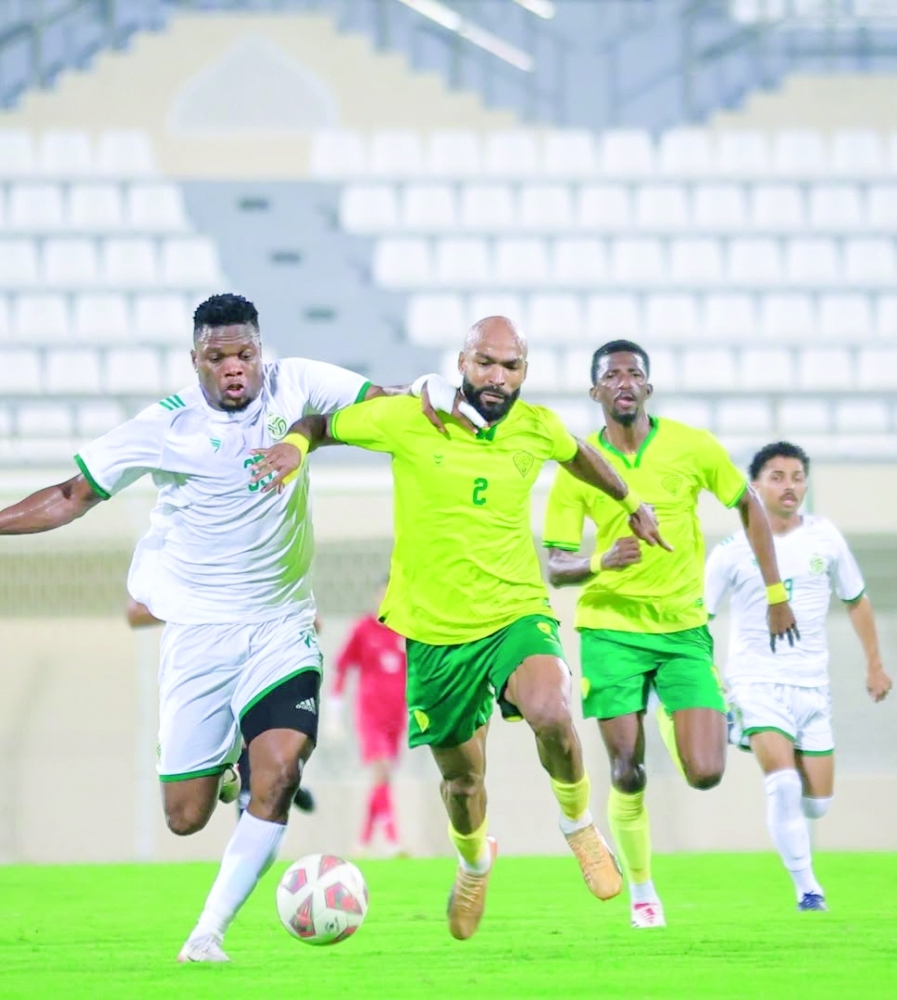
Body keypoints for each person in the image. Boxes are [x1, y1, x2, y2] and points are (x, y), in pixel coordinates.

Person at [0, 292, 470, 963]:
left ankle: (208, 933)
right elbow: (72, 494)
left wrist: (432, 390)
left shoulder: (297, 383)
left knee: (281, 772)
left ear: (260, 351)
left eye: (245, 354)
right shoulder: (166, 426)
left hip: (281, 622)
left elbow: (381, 400)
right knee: (185, 817)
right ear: (195, 360)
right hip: (201, 634)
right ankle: (223, 762)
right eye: (217, 357)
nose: (234, 368)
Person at [249, 316, 669, 941]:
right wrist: (295, 445)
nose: (498, 377)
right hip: (434, 631)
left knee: (552, 709)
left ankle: (578, 824)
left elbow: (578, 455)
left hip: (514, 609)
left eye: (511, 366)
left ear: (524, 371)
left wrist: (631, 502)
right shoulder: (408, 417)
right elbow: (320, 424)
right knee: (464, 781)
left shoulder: (535, 426)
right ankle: (474, 861)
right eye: (486, 363)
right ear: (463, 364)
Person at [542, 339, 798, 930]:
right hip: (611, 629)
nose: (624, 382)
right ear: (595, 391)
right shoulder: (578, 467)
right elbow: (555, 565)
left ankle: (669, 712)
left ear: (648, 388)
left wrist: (775, 592)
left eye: (634, 373)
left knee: (705, 773)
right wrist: (601, 561)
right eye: (612, 375)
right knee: (627, 770)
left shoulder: (691, 445)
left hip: (683, 627)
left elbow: (748, 503)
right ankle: (642, 892)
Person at [705, 441, 891, 911]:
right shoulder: (730, 551)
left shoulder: (825, 537)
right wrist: (708, 681)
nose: (789, 486)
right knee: (784, 784)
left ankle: (744, 737)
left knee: (816, 804)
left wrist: (874, 664)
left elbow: (856, 600)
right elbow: (698, 620)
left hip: (812, 687)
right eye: (777, 477)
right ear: (754, 486)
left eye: (797, 477)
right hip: (756, 682)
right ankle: (808, 889)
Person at [126, 598, 317, 814]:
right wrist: (199, 606)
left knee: (259, 775)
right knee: (191, 806)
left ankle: (275, 778)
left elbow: (313, 620)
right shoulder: (185, 589)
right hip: (202, 670)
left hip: (259, 663)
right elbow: (135, 613)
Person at [328, 582, 407, 856]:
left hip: (397, 717)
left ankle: (363, 841)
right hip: (370, 715)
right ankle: (393, 840)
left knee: (383, 779)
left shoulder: (406, 631)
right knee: (381, 769)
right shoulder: (363, 629)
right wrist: (334, 714)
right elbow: (342, 668)